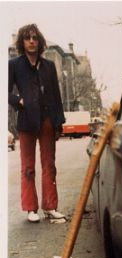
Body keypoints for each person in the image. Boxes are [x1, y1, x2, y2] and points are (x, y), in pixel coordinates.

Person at [8, 24, 66, 223]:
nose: (31, 41)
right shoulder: (14, 65)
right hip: (26, 120)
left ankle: (50, 206)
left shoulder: (48, 65)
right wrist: (18, 100)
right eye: (27, 38)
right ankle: (30, 208)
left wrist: (59, 122)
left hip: (48, 119)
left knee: (49, 164)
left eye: (34, 38)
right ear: (22, 42)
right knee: (28, 166)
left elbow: (57, 96)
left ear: (39, 41)